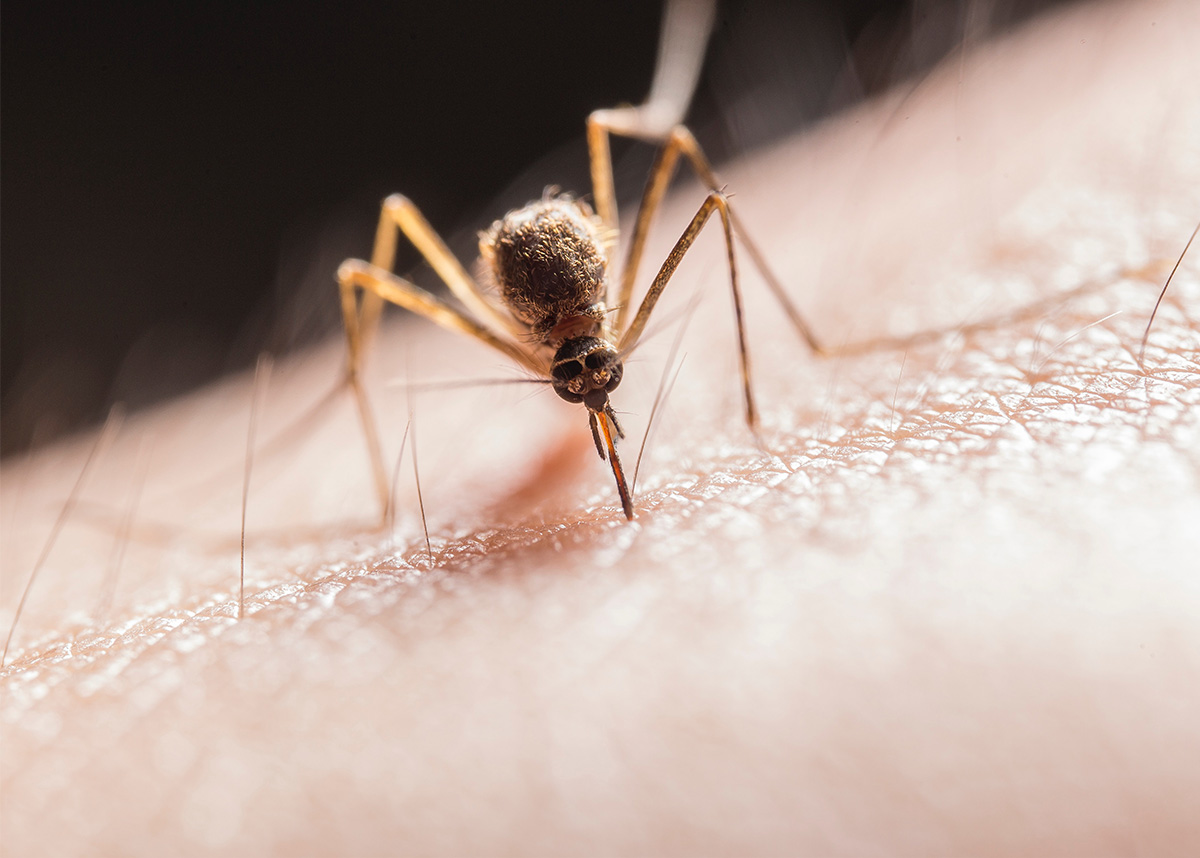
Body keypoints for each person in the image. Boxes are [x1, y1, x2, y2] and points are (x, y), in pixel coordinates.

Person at [2, 0, 1197, 852]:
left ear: (601, 344)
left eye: (593, 374)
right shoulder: (534, 328)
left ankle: (823, 353)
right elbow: (382, 270)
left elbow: (691, 171)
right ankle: (365, 486)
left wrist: (781, 375)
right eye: (581, 375)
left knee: (688, 171)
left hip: (571, 261)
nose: (593, 390)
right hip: (525, 276)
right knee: (381, 259)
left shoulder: (608, 308)